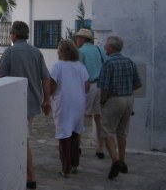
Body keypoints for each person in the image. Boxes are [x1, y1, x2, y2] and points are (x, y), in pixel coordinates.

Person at [0, 21, 51, 190]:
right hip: (33, 101)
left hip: (16, 103)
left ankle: (31, 177)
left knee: (22, 138)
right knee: (21, 137)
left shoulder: (10, 52)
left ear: (13, 34)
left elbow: (0, 77)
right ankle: (22, 172)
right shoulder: (36, 52)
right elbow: (46, 78)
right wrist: (47, 99)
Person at [97, 35, 142, 179]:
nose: (104, 48)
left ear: (111, 47)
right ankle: (123, 161)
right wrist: (126, 89)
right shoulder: (129, 61)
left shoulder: (108, 63)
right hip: (129, 99)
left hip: (114, 99)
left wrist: (103, 101)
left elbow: (104, 87)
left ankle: (115, 161)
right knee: (122, 132)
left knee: (107, 132)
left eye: (106, 46)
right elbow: (138, 83)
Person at [49, 39, 90, 177]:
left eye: (58, 49)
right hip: (78, 102)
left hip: (64, 102)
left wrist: (47, 97)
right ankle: (74, 164)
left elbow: (52, 84)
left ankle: (65, 167)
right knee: (75, 132)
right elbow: (87, 85)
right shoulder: (80, 65)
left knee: (64, 134)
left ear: (62, 51)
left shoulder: (57, 66)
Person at [75, 28, 106, 159]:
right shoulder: (100, 50)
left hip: (87, 86)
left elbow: (79, 72)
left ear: (82, 39)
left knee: (80, 117)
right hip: (101, 86)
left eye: (78, 37)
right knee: (99, 119)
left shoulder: (80, 52)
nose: (76, 40)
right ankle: (100, 148)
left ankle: (77, 146)